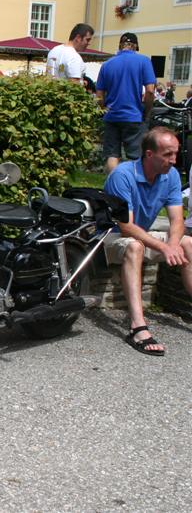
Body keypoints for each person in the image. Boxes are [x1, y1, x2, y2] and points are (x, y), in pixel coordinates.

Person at [103, 126, 192, 356]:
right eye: (168, 155)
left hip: (141, 234)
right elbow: (126, 226)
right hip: (110, 237)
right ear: (150, 154)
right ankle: (138, 327)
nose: (174, 160)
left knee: (188, 243)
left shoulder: (170, 175)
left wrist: (172, 245)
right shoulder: (123, 175)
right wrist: (164, 246)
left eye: (176, 154)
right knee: (135, 245)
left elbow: (176, 220)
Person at [96, 33, 156, 173]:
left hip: (111, 116)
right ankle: (135, 188)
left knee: (112, 155)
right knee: (136, 157)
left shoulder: (107, 64)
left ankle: (114, 188)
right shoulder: (144, 61)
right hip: (134, 115)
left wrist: (103, 109)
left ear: (120, 46)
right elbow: (150, 91)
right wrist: (146, 111)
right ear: (135, 46)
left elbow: (99, 95)